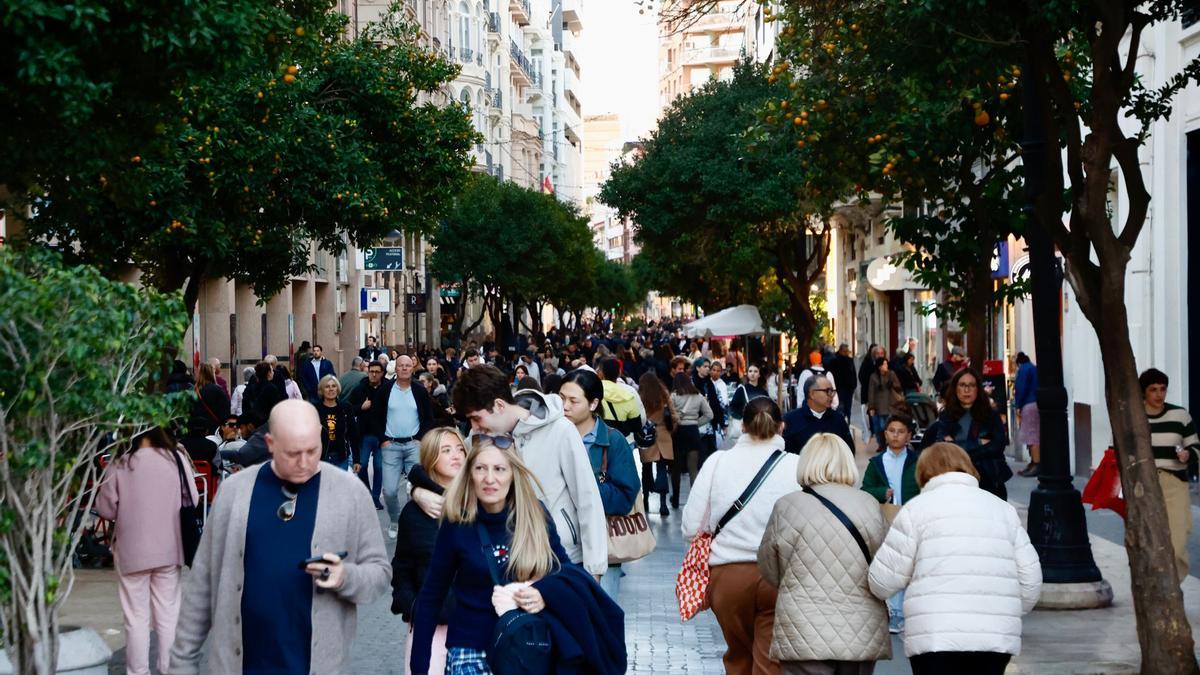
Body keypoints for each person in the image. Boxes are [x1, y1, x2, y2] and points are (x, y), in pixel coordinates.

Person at [170, 400, 391, 673]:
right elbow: (202, 583)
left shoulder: (350, 493)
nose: (304, 462)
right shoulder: (234, 493)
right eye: (292, 453)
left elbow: (380, 574)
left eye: (312, 450)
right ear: (270, 443)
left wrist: (345, 577)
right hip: (239, 665)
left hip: (318, 665)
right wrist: (182, 663)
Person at [409, 436, 624, 675]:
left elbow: (563, 571)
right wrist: (419, 667)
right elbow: (431, 596)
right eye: (480, 468)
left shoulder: (535, 516)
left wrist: (545, 593)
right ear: (470, 474)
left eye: (499, 469)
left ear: (513, 474)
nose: (489, 479)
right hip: (470, 650)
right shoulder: (457, 522)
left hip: (525, 649)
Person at [868, 443, 1042, 675]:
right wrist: (1005, 611)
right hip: (994, 637)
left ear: (923, 472)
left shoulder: (916, 510)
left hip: (935, 636)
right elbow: (1030, 579)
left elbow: (882, 581)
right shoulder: (1002, 510)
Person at [448, 364, 609, 577]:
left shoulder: (560, 430)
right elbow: (443, 473)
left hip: (560, 558)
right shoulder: (479, 439)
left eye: (476, 418)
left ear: (499, 405)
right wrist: (418, 491)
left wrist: (594, 571)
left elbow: (587, 499)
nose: (474, 427)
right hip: (506, 560)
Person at [681, 398, 799, 675]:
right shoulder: (796, 466)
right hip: (779, 575)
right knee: (769, 661)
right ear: (782, 427)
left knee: (738, 657)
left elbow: (690, 527)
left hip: (727, 577)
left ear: (742, 426)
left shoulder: (718, 462)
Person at [757, 432, 890, 675]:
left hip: (803, 626)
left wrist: (795, 585)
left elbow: (769, 567)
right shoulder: (869, 504)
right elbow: (884, 564)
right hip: (860, 627)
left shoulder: (787, 506)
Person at [95, 427, 198, 675]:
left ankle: (137, 671)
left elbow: (106, 509)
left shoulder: (121, 463)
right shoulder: (177, 458)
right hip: (170, 547)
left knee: (136, 617)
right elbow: (192, 499)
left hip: (132, 551)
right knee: (168, 615)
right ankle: (170, 670)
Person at [392, 427, 467, 675]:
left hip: (474, 624)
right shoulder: (414, 514)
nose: (456, 455)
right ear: (431, 458)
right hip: (430, 626)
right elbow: (401, 567)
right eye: (446, 450)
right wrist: (412, 606)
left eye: (460, 449)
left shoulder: (481, 502)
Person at [561, 369, 641, 600]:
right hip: (559, 548)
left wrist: (584, 488)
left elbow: (625, 496)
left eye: (573, 401)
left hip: (602, 545)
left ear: (593, 403)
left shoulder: (612, 441)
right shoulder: (553, 436)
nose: (565, 406)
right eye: (562, 398)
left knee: (600, 618)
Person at [860, 414, 920, 633]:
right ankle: (895, 611)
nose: (896, 435)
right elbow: (865, 490)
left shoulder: (916, 461)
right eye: (891, 431)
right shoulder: (876, 464)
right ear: (885, 434)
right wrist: (881, 492)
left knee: (912, 564)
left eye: (901, 431)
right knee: (893, 564)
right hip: (887, 519)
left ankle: (909, 609)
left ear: (909, 436)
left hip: (912, 518)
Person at [1140, 367, 1200, 583]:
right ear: (1144, 392)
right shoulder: (1135, 418)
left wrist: (1188, 454)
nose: (1159, 394)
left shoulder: (1180, 415)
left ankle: (1173, 587)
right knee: (1149, 542)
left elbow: (1195, 447)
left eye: (1163, 389)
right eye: (1153, 389)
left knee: (1177, 540)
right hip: (1145, 486)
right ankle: (1155, 587)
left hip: (1174, 483)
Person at [920, 367, 1011, 499]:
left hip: (988, 479)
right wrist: (979, 442)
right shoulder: (947, 415)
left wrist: (957, 446)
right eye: (962, 385)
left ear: (978, 389)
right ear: (955, 388)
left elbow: (997, 446)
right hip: (956, 479)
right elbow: (943, 447)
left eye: (971, 385)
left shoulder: (990, 415)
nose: (967, 390)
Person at [377, 355, 435, 538]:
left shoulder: (419, 390)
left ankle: (413, 522)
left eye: (407, 366)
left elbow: (428, 417)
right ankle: (395, 520)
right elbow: (375, 416)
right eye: (400, 366)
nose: (404, 368)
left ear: (413, 368)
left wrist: (420, 438)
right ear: (396, 368)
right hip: (391, 445)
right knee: (390, 490)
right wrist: (382, 439)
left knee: (415, 488)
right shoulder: (385, 389)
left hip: (413, 445)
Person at [670, 371, 713, 507]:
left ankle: (675, 498)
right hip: (693, 432)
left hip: (678, 433)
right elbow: (709, 415)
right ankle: (694, 500)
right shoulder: (698, 396)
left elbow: (671, 416)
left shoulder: (673, 396)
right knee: (693, 468)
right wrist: (695, 422)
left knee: (676, 467)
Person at [782, 376, 856, 455]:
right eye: (827, 391)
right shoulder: (791, 419)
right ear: (812, 394)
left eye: (832, 391)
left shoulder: (838, 419)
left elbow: (849, 451)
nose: (831, 395)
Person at [349, 360, 388, 509]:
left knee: (379, 467)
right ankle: (367, 493)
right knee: (362, 465)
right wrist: (361, 407)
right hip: (364, 434)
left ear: (382, 373)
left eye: (377, 372)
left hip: (382, 435)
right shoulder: (360, 389)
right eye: (371, 371)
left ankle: (375, 497)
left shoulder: (387, 388)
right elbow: (349, 408)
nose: (373, 374)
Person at [638, 371, 676, 516]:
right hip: (663, 432)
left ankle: (646, 500)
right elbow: (673, 415)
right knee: (662, 468)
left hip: (647, 434)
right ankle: (663, 504)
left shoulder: (640, 396)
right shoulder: (664, 394)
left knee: (646, 468)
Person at [316, 374, 359, 470]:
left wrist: (356, 460)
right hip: (322, 458)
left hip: (341, 457)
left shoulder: (346, 408)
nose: (331, 389)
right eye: (327, 387)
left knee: (340, 485)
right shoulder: (315, 409)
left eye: (333, 386)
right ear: (322, 390)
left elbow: (353, 434)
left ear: (337, 389)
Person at [866, 357, 905, 448]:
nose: (886, 365)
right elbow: (871, 392)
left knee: (887, 425)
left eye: (886, 364)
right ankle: (881, 444)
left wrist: (892, 384)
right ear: (879, 366)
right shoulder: (873, 377)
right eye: (884, 364)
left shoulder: (891, 374)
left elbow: (898, 386)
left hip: (890, 404)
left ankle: (887, 444)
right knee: (879, 427)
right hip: (878, 405)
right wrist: (871, 407)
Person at [1014, 352, 1040, 477]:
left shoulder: (1023, 370)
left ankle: (1036, 463)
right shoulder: (1033, 368)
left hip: (1028, 404)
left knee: (1031, 435)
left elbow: (1021, 388)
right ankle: (1034, 462)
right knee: (1034, 433)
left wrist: (1018, 405)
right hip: (1036, 403)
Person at [189, 362, 231, 437]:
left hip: (195, 430)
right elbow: (225, 413)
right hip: (214, 430)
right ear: (212, 374)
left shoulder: (192, 391)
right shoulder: (218, 390)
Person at [828, 344, 858, 421]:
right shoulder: (834, 360)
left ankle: (848, 423)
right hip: (839, 389)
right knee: (840, 408)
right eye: (845, 351)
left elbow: (853, 373)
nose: (847, 353)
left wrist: (854, 385)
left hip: (849, 389)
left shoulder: (850, 360)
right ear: (840, 351)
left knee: (848, 408)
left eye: (847, 351)